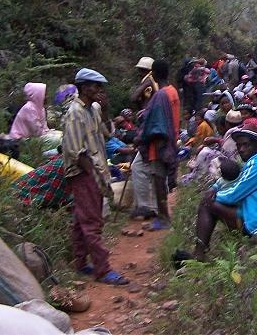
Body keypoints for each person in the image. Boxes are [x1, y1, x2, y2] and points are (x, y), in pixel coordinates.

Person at [175, 122, 257, 262]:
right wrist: (214, 188)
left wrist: (211, 197)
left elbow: (233, 195)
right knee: (214, 200)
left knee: (207, 204)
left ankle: (199, 254)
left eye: (246, 145)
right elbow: (236, 181)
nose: (241, 149)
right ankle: (200, 251)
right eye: (239, 145)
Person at [62, 68, 128, 285]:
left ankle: (80, 263)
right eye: (94, 86)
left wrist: (106, 110)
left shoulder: (94, 109)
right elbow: (73, 149)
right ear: (83, 88)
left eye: (100, 86)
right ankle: (103, 269)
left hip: (95, 170)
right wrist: (91, 173)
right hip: (83, 172)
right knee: (92, 221)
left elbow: (107, 133)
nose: (98, 90)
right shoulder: (75, 112)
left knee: (82, 220)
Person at [135, 59, 180, 230]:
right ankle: (162, 216)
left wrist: (141, 137)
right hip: (171, 138)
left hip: (159, 144)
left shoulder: (160, 95)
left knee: (159, 181)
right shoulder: (173, 91)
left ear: (152, 74)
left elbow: (155, 123)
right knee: (160, 180)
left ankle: (163, 218)